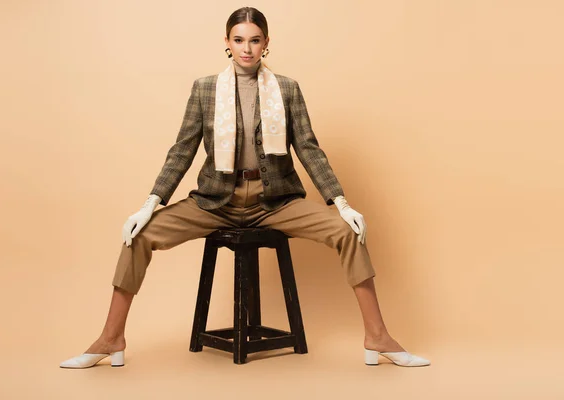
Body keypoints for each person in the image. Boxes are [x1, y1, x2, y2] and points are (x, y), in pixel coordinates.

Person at [60, 7, 430, 369]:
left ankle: (378, 337)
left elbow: (308, 148)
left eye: (254, 40)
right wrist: (150, 203)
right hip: (215, 201)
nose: (247, 48)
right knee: (136, 237)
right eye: (239, 40)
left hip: (276, 202)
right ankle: (111, 338)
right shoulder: (204, 89)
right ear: (227, 42)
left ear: (266, 42)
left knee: (349, 233)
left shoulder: (287, 89)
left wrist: (342, 203)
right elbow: (182, 150)